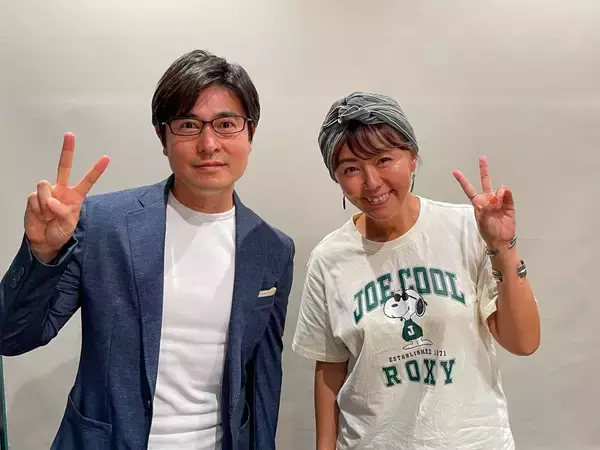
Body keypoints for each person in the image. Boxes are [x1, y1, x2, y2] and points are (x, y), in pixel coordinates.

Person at [0, 49, 295, 450]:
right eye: (188, 125)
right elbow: (12, 337)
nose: (209, 143)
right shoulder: (103, 224)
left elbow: (264, 380)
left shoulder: (272, 248)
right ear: (163, 138)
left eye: (226, 124)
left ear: (250, 133)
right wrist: (42, 254)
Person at [292, 92, 540, 449]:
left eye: (383, 159)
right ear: (337, 178)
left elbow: (524, 342)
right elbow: (330, 368)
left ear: (412, 157)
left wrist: (502, 247)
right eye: (351, 169)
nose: (372, 182)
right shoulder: (329, 258)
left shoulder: (466, 228)